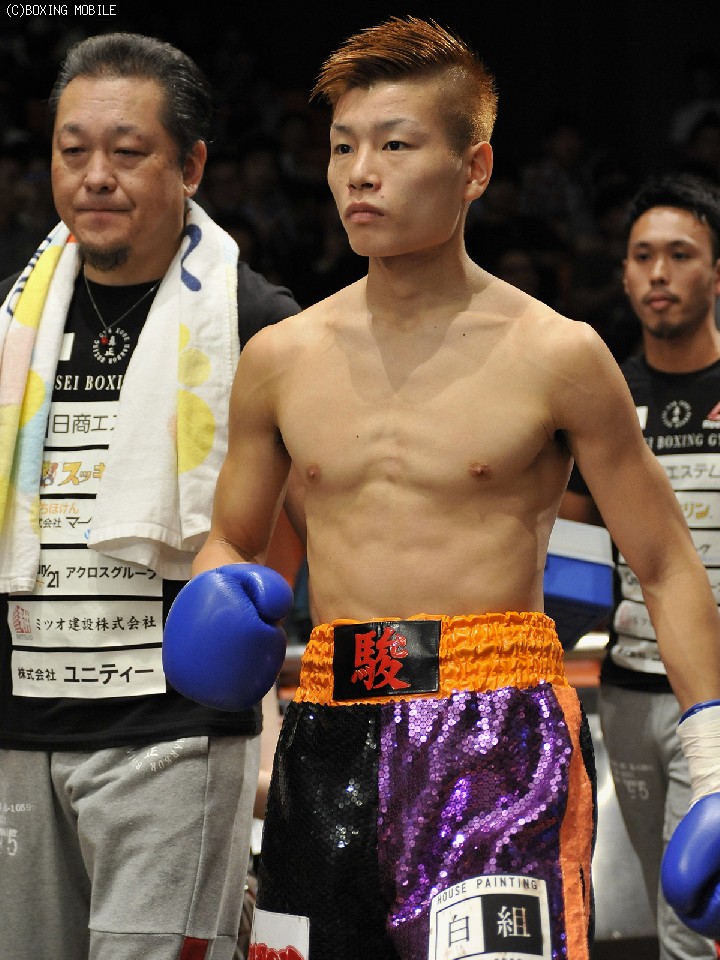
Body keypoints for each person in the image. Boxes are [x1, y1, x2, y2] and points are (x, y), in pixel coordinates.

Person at [161, 17, 720, 960]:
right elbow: (235, 539)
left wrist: (714, 766)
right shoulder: (279, 360)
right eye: (342, 146)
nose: (359, 173)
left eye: (394, 145)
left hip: (499, 737)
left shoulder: (559, 354)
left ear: (476, 168)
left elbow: (664, 563)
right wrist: (215, 598)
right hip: (328, 726)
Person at [0, 32, 301, 960]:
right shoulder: (9, 321)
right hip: (18, 726)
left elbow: (308, 527)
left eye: (128, 152)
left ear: (192, 165)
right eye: (73, 151)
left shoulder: (259, 324)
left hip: (172, 734)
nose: (95, 176)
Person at [560, 172, 720, 959]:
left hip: (716, 696)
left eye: (681, 254)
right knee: (667, 902)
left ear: (717, 272)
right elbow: (572, 549)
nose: (660, 273)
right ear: (623, 274)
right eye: (643, 256)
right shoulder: (606, 399)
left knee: (690, 927)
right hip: (626, 691)